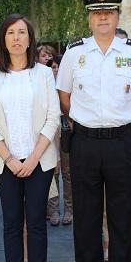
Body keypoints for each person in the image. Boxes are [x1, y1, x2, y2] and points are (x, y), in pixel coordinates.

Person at [56, 0, 131, 262]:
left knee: (123, 220)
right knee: (85, 222)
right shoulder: (75, 53)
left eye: (109, 12)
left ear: (117, 16)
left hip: (123, 143)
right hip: (85, 143)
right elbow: (64, 96)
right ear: (89, 18)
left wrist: (120, 120)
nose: (103, 17)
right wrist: (88, 121)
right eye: (97, 12)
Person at [0, 14, 60, 262]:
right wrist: (10, 159)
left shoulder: (44, 73)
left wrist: (34, 158)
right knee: (12, 224)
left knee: (37, 223)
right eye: (11, 32)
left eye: (22, 32)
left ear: (30, 39)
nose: (16, 38)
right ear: (3, 39)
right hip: (6, 163)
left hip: (40, 161)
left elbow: (53, 117)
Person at [45, 55, 73, 227]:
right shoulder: (45, 86)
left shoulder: (70, 87)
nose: (56, 70)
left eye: (59, 67)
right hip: (49, 134)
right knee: (52, 172)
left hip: (68, 133)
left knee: (68, 173)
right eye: (53, 67)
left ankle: (70, 208)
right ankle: (53, 209)